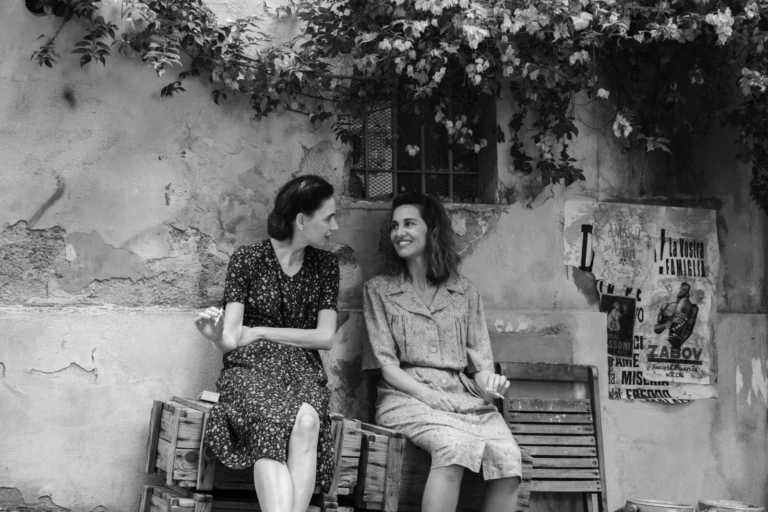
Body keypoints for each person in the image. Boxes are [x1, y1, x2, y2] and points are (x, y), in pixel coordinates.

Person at [362, 192, 521, 512]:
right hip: (405, 396)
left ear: (431, 230)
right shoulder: (378, 290)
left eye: (409, 223)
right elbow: (386, 366)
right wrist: (429, 396)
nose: (399, 232)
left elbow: (481, 366)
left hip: (462, 397)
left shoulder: (464, 292)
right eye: (394, 226)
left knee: (509, 459)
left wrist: (491, 385)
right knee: (454, 446)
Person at [194, 175, 340, 512]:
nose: (335, 226)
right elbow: (232, 339)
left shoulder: (326, 267)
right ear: (302, 220)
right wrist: (215, 336)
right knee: (270, 424)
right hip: (250, 369)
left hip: (303, 370)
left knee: (308, 422)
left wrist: (261, 331)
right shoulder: (247, 259)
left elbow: (325, 337)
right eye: (329, 217)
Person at [653, 282, 699, 348]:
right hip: (661, 346)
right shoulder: (666, 306)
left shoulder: (692, 308)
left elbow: (688, 331)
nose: (681, 291)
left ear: (687, 293)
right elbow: (656, 329)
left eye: (684, 290)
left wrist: (677, 344)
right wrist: (665, 325)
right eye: (680, 288)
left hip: (674, 343)